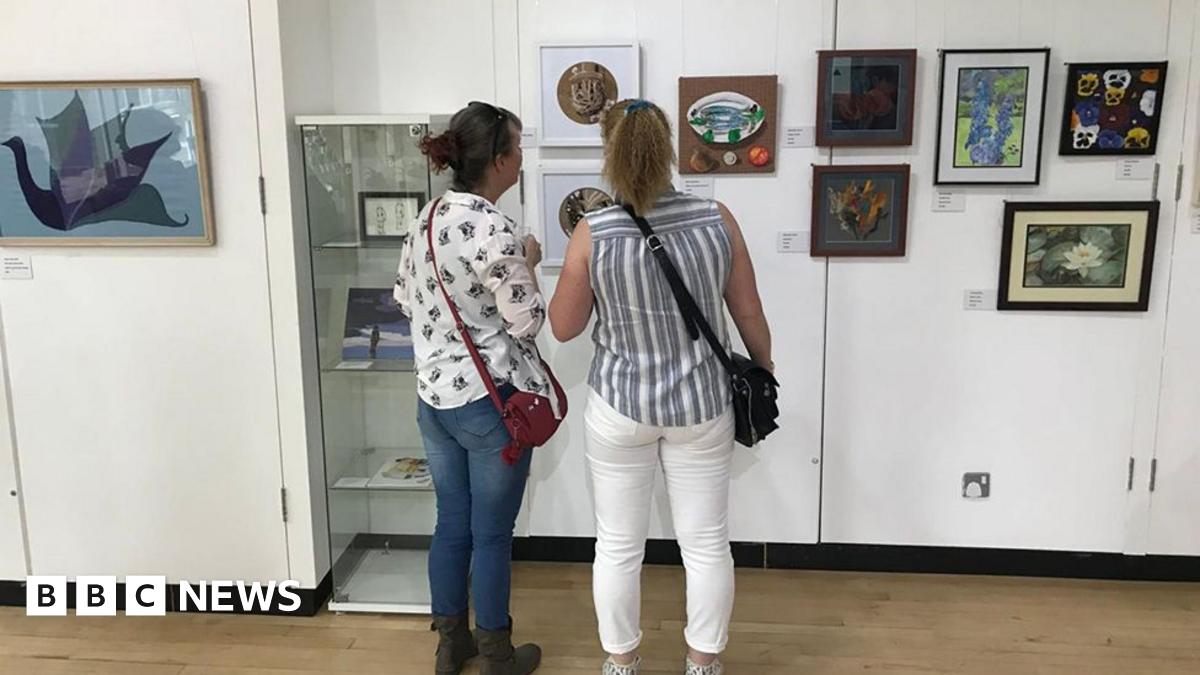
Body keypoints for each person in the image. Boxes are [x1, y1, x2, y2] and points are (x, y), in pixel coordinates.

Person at [548, 99, 773, 675]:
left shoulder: (592, 232)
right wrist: (764, 374)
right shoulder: (717, 219)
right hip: (701, 405)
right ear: (668, 148)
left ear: (609, 154)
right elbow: (748, 316)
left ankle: (621, 663)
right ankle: (702, 663)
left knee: (619, 546)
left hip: (621, 405)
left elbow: (564, 326)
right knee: (705, 544)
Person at [394, 101, 547, 675]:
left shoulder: (424, 219)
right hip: (489, 405)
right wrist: (526, 262)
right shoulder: (495, 229)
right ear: (501, 161)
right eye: (519, 147)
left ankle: (449, 644)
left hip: (433, 399)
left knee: (450, 522)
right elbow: (527, 321)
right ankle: (497, 654)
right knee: (491, 535)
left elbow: (404, 300)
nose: (523, 156)